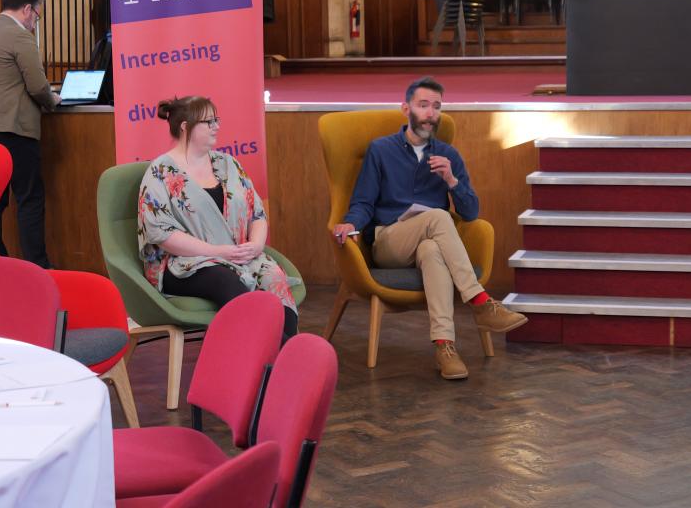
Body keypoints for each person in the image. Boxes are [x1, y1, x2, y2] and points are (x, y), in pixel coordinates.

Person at [333, 76, 527, 380]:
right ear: (406, 108)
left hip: (429, 239)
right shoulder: (381, 150)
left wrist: (452, 181)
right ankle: (479, 302)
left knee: (433, 249)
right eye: (423, 105)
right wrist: (351, 223)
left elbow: (471, 212)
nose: (430, 113)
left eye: (436, 107)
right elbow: (364, 202)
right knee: (440, 216)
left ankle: (444, 347)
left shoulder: (448, 156)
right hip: (389, 240)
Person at [137, 96, 298, 343]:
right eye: (209, 121)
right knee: (223, 278)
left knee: (273, 277)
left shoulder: (229, 163)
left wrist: (256, 245)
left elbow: (257, 213)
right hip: (184, 263)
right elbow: (162, 234)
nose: (217, 126)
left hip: (238, 255)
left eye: (217, 120)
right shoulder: (160, 172)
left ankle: (274, 362)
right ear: (185, 127)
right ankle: (287, 358)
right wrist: (217, 251)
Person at [0, 0, 60, 268]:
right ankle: (38, 267)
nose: (34, 23)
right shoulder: (20, 36)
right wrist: (52, 100)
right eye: (36, 16)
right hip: (17, 130)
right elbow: (38, 86)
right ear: (27, 9)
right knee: (30, 199)